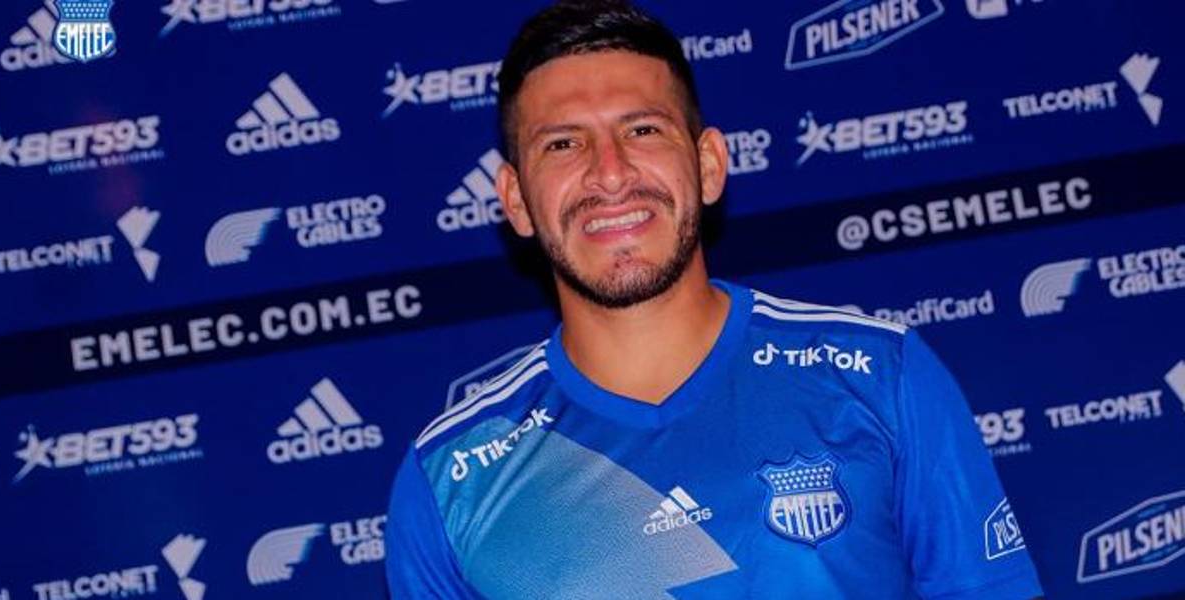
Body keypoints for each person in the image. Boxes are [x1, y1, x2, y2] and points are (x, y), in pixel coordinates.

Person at [386, 1, 1044, 597]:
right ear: (514, 200)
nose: (609, 173)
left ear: (708, 165)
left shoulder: (879, 375)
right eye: (563, 144)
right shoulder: (450, 483)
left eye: (643, 131)